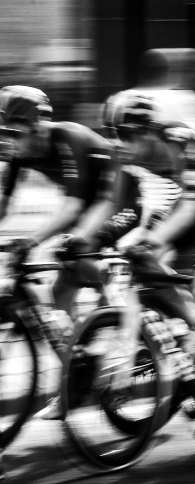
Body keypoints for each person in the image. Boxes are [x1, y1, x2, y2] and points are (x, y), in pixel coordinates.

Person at [104, 91, 195, 433]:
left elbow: (189, 208)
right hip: (190, 208)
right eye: (116, 136)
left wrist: (149, 238)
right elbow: (140, 209)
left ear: (149, 131)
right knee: (141, 265)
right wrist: (129, 241)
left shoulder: (180, 138)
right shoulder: (133, 156)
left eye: (127, 136)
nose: (121, 144)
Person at [0, 85, 119, 318]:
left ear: (39, 128)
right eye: (4, 135)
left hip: (116, 197)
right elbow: (3, 204)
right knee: (60, 296)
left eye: (15, 134)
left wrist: (31, 242)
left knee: (77, 248)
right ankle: (77, 346)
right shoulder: (19, 155)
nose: (9, 142)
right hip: (87, 201)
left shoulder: (67, 137)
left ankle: (116, 297)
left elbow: (73, 206)